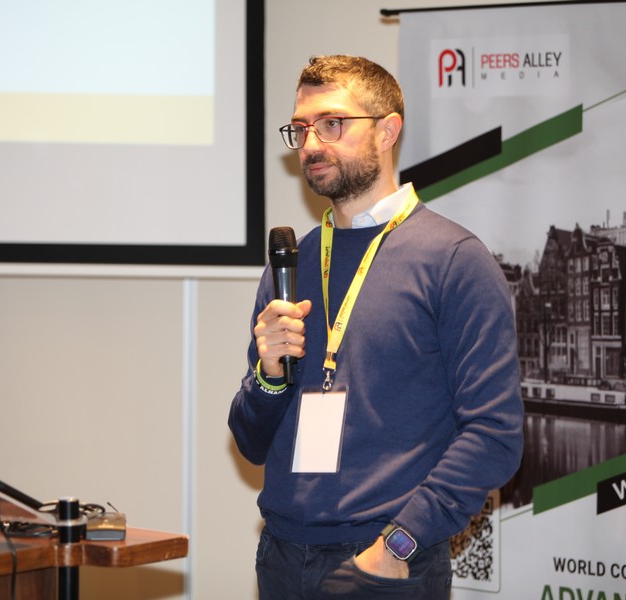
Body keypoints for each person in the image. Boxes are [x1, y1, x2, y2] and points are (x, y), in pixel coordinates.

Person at [228, 54, 524, 599]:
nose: (311, 144)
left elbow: (495, 434)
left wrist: (397, 545)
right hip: (281, 555)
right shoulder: (291, 265)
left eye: (331, 123)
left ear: (387, 131)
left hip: (386, 562)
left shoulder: (453, 259)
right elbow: (249, 441)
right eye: (301, 129)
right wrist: (268, 377)